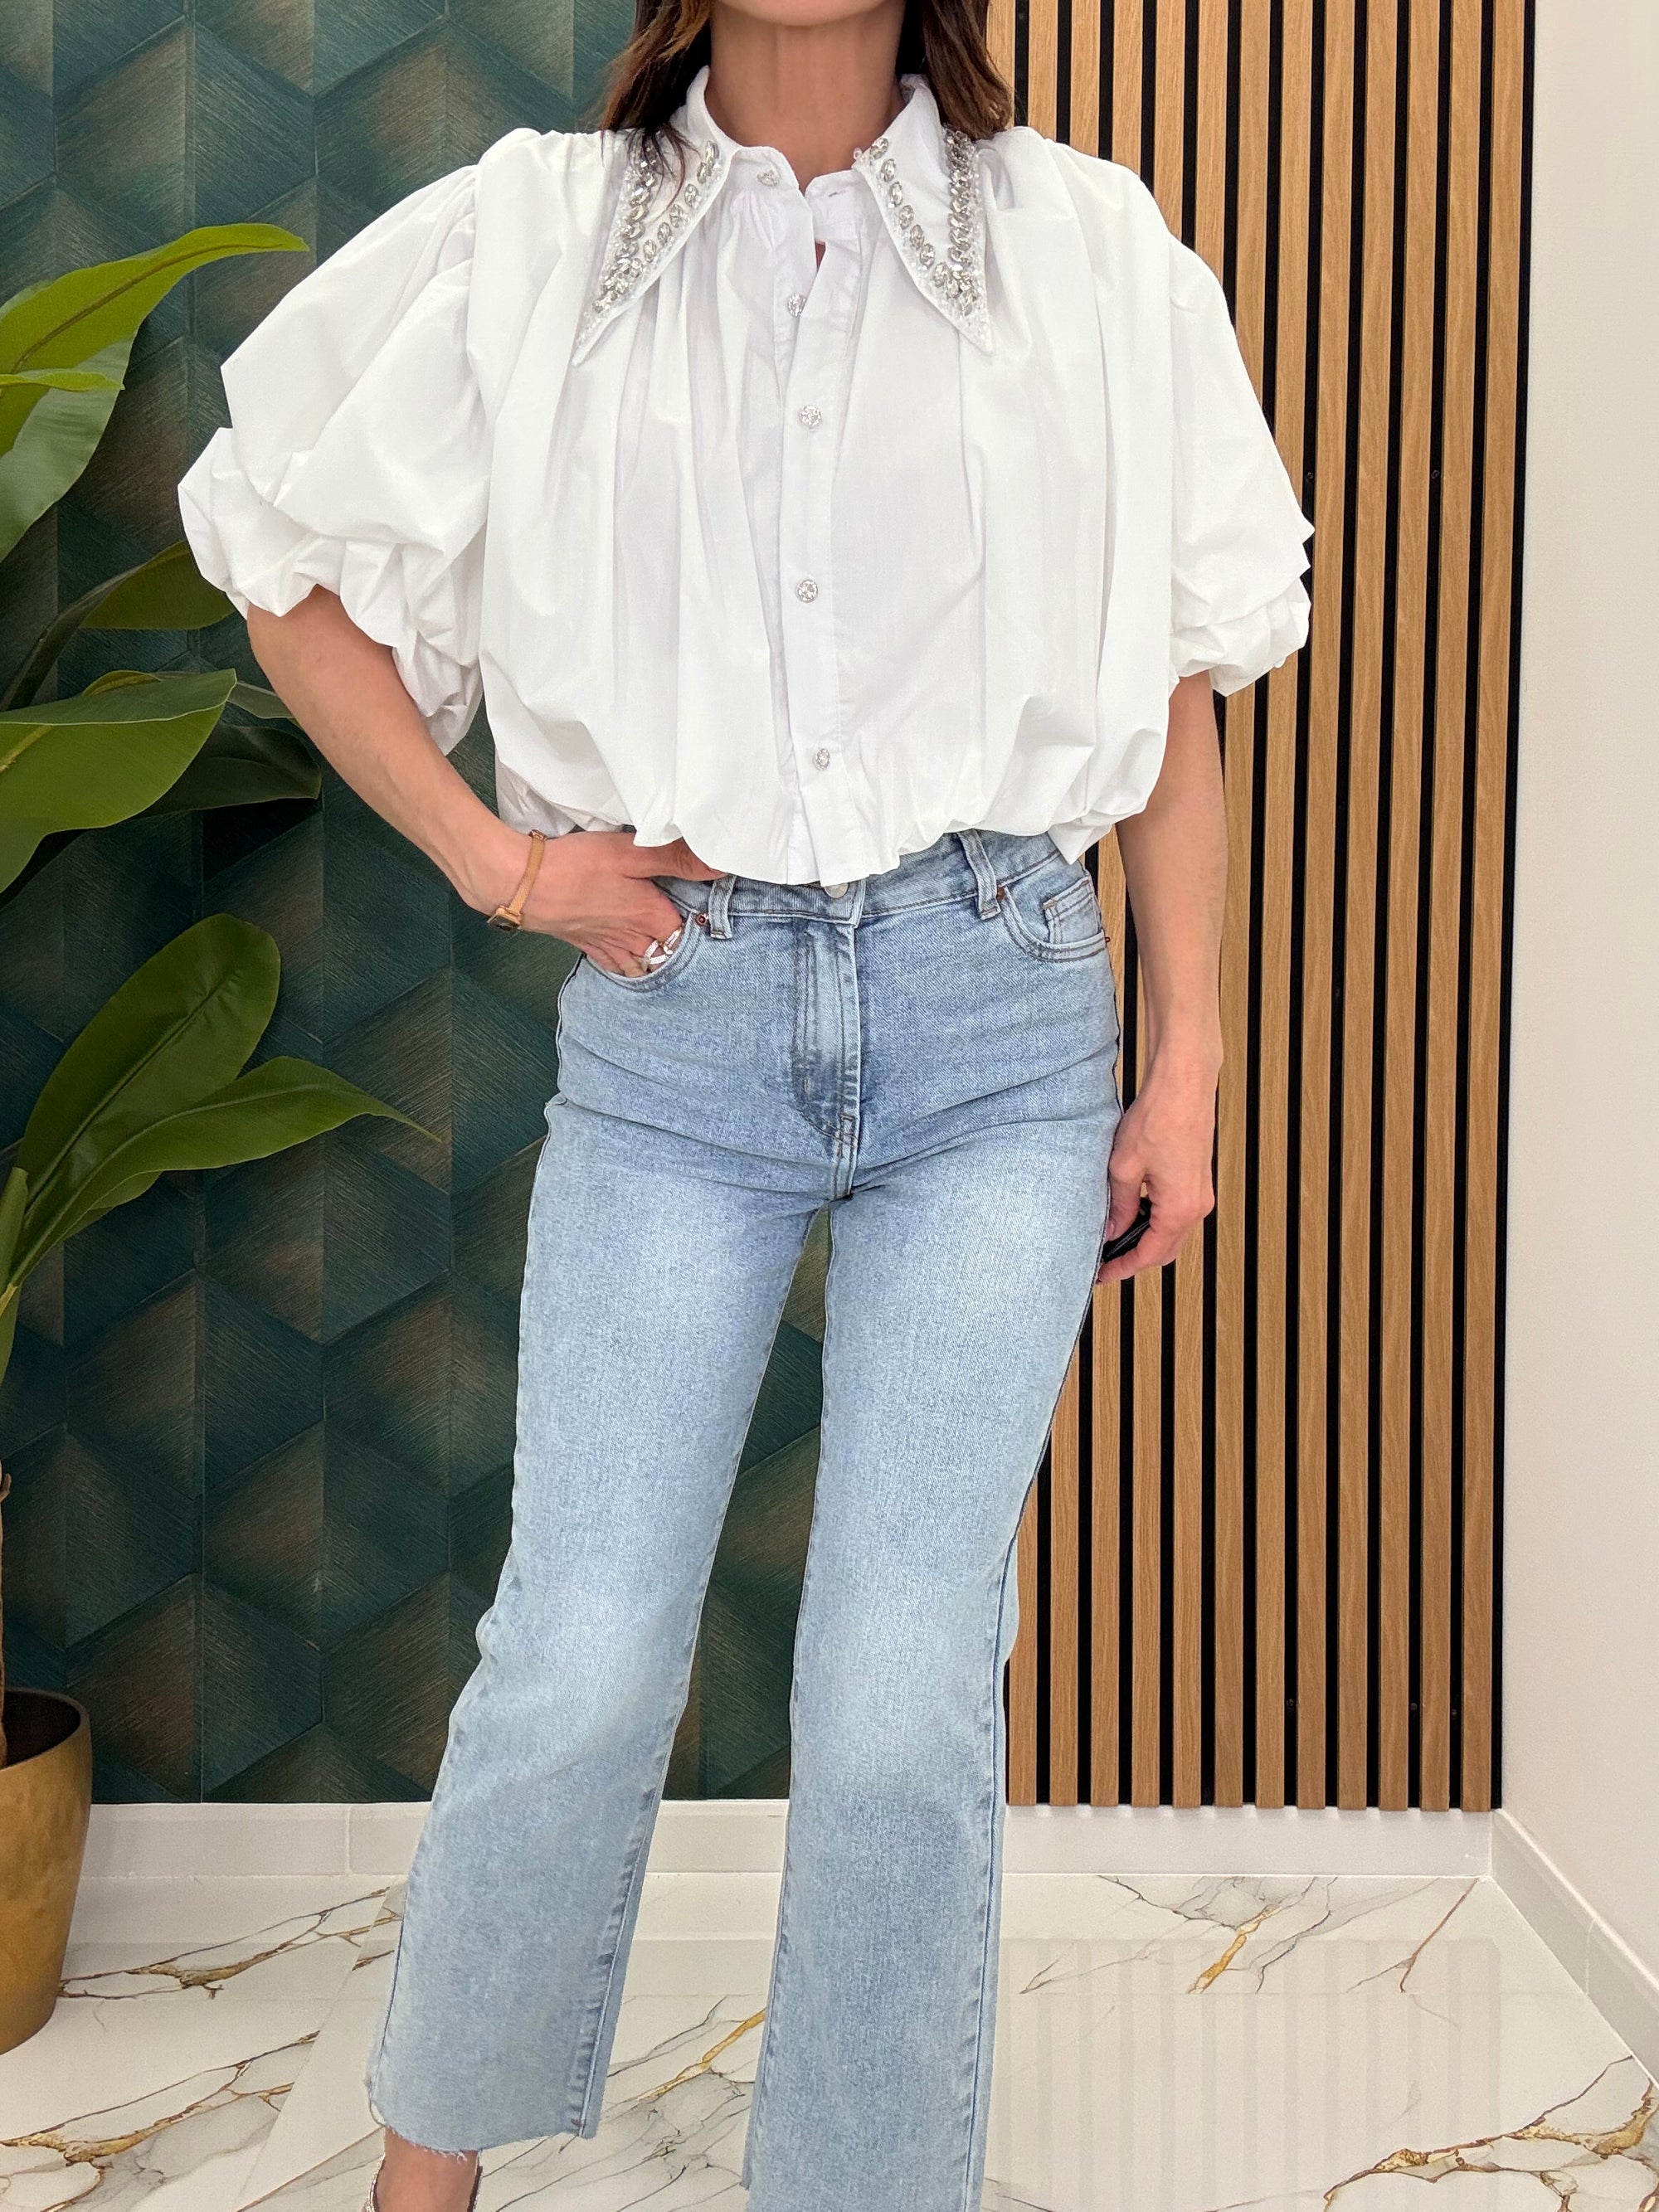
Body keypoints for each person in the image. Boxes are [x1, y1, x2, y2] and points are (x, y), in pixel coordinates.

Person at [176, 0, 1313, 2200]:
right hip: (676, 1031)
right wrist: (501, 863)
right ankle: (426, 2174)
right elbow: (278, 552)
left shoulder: (1089, 248)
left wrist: (1187, 1059)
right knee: (582, 1655)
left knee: (900, 1681)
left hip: (997, 1023)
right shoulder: (531, 235)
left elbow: (1174, 687)